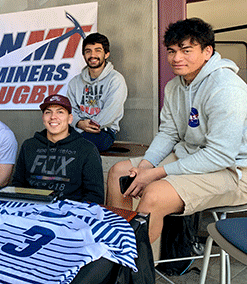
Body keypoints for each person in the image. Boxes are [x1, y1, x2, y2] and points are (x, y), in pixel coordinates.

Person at [106, 18, 247, 243]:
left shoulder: (226, 88)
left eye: (186, 50)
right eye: (171, 51)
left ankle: (134, 271)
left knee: (154, 193)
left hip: (234, 170)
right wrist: (145, 166)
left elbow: (220, 155)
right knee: (119, 173)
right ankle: (117, 249)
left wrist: (157, 173)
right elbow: (169, 133)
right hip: (191, 156)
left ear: (207, 51)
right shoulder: (174, 86)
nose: (176, 58)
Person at [12, 94, 104, 204]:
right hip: (30, 210)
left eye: (60, 112)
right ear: (43, 118)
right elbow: (17, 185)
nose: (53, 117)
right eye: (48, 112)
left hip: (70, 214)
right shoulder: (29, 146)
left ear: (70, 119)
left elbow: (94, 196)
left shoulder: (87, 149)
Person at [66, 33, 128, 152]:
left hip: (103, 131)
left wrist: (88, 126)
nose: (92, 55)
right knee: (50, 139)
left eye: (97, 50)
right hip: (78, 128)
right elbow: (70, 109)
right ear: (83, 55)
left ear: (106, 54)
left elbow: (110, 112)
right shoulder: (75, 82)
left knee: (75, 146)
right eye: (88, 51)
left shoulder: (115, 80)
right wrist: (79, 123)